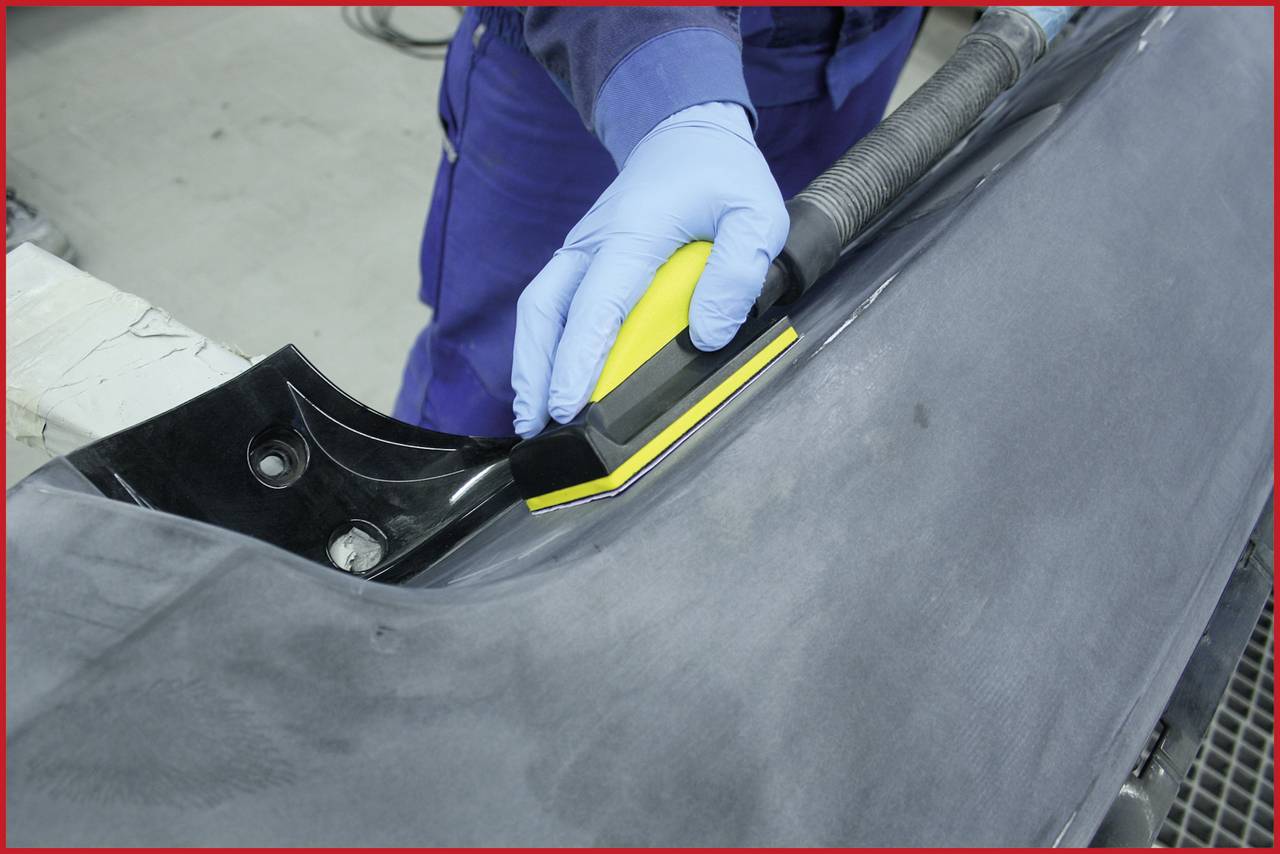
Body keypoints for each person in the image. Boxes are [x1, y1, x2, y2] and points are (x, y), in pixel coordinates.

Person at [393, 6, 922, 439]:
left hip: (854, 53)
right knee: (512, 379)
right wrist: (673, 96)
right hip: (598, 57)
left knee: (746, 370)